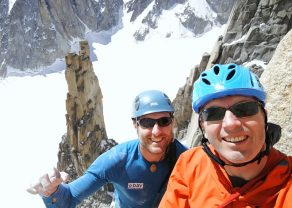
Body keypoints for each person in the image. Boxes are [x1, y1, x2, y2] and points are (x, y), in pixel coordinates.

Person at [159, 63, 292, 208]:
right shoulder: (190, 164)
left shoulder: (287, 181)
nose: (231, 124)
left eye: (245, 108)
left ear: (264, 116)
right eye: (213, 113)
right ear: (203, 125)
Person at [27, 89, 188, 208]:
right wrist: (51, 193)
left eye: (164, 121)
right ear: (135, 125)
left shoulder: (187, 160)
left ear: (172, 122)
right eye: (147, 122)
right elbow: (68, 199)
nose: (156, 131)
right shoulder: (117, 159)